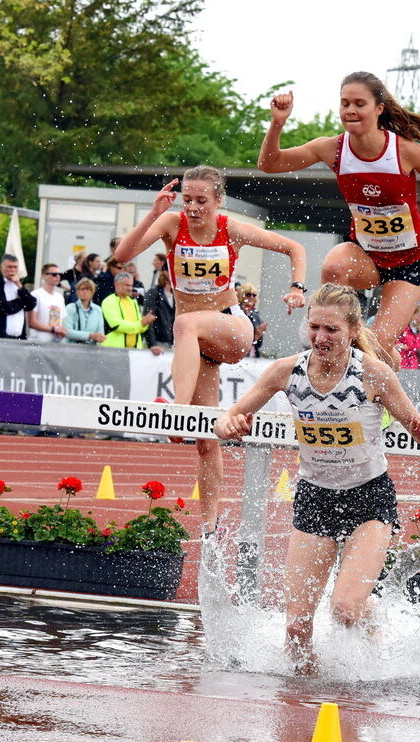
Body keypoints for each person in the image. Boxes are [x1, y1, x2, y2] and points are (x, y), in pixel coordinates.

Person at [214, 284, 420, 674]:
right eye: (314, 327)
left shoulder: (373, 374)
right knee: (297, 628)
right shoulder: (287, 371)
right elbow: (226, 419)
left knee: (345, 610)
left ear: (353, 331)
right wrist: (229, 424)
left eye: (331, 329)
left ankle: (372, 628)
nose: (320, 337)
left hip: (369, 498)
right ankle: (307, 697)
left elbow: (416, 423)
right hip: (315, 497)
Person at [114, 165, 306, 536]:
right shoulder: (171, 224)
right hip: (199, 347)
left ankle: (177, 412)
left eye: (201, 200)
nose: (193, 207)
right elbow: (124, 253)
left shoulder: (231, 229)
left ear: (218, 200)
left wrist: (297, 287)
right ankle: (210, 525)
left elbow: (293, 247)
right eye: (187, 199)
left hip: (232, 327)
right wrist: (154, 212)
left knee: (185, 323)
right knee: (205, 438)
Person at [258, 73, 420, 362]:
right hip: (366, 255)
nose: (350, 110)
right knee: (333, 266)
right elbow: (269, 164)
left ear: (379, 108)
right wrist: (278, 123)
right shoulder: (333, 149)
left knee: (375, 349)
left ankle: (386, 362)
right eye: (344, 104)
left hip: (409, 264)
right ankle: (329, 340)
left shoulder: (405, 151)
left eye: (359, 104)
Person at [0, 254, 37, 339]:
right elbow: (1, 307)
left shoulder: (19, 285)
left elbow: (32, 304)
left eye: (15, 267)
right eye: (9, 267)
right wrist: (21, 302)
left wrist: (19, 285)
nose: (12, 270)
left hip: (18, 337)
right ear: (2, 268)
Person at [101, 271, 155, 349]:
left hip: (134, 350)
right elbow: (117, 326)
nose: (130, 288)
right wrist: (142, 323)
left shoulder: (133, 301)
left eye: (131, 285)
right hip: (114, 350)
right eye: (127, 285)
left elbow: (140, 328)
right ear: (117, 285)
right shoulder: (109, 301)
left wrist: (146, 323)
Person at [28, 263, 68, 342]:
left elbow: (61, 321)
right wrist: (53, 329)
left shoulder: (60, 297)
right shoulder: (35, 295)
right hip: (37, 342)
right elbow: (32, 322)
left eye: (59, 274)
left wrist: (62, 331)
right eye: (54, 274)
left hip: (55, 342)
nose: (58, 276)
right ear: (44, 276)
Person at [64, 277, 106, 345]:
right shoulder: (70, 308)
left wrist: (100, 338)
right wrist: (89, 335)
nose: (85, 291)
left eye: (88, 289)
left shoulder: (98, 310)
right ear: (77, 292)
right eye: (82, 289)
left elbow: (100, 333)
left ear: (92, 292)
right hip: (72, 347)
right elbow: (67, 332)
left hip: (91, 349)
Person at [142, 266, 175, 354]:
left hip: (171, 342)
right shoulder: (154, 293)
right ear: (165, 272)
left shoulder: (175, 294)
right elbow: (148, 319)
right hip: (157, 342)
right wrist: (152, 344)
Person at [238, 282, 267, 358]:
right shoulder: (237, 312)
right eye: (248, 294)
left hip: (253, 355)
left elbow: (259, 344)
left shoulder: (255, 314)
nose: (251, 297)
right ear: (241, 296)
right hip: (239, 354)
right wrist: (256, 336)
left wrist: (259, 335)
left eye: (254, 295)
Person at [396, 304, 420, 369]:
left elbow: (416, 349)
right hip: (402, 364)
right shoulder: (402, 329)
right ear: (412, 315)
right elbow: (394, 344)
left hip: (414, 366)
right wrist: (398, 346)